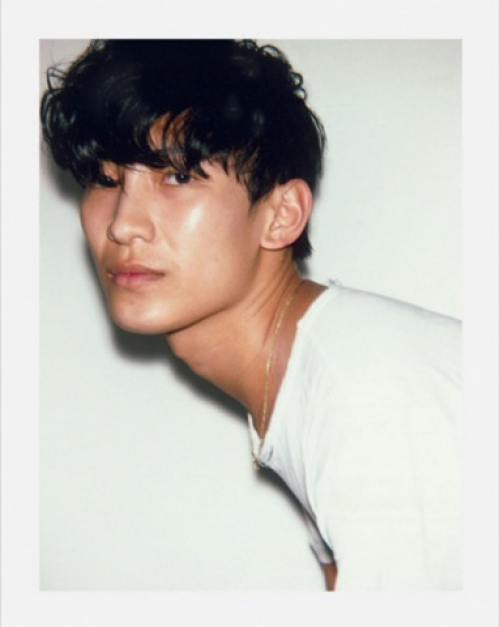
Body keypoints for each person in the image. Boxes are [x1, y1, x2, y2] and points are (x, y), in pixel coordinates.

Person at [40, 39, 461, 591]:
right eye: (104, 179)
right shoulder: (315, 379)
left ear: (282, 215)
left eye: (178, 177)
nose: (122, 225)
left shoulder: (369, 405)